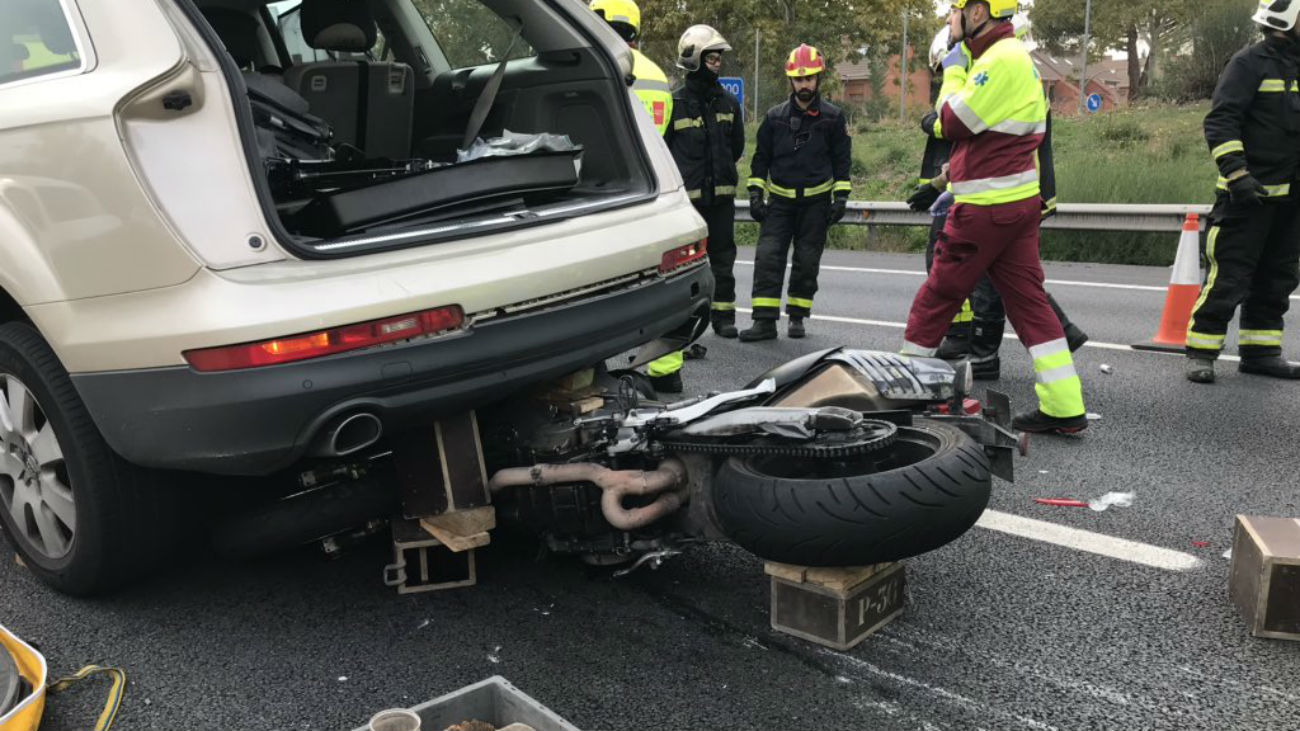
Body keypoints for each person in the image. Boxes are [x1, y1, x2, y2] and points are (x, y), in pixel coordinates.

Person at [903, 0, 1087, 434]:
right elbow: (987, 140)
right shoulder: (1008, 58)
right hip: (1016, 204)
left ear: (979, 12)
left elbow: (951, 121)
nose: (950, 20)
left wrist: (952, 68)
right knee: (1029, 304)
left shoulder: (1000, 61)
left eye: (954, 11)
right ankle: (1064, 408)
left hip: (986, 208)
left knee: (937, 298)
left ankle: (899, 392)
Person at [1186, 0, 1300, 383]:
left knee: (1278, 277)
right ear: (1285, 18)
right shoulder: (1248, 63)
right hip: (1247, 195)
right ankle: (1202, 352)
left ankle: (1261, 352)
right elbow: (1221, 121)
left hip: (1291, 200)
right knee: (1229, 275)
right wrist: (1237, 174)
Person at [590, 0, 685, 392]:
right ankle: (667, 371)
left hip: (600, 193)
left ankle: (590, 368)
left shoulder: (599, 65)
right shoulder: (657, 74)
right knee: (659, 281)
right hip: (649, 192)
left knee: (592, 285)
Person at [739, 44, 853, 341]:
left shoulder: (832, 117)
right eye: (799, 80)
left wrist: (840, 198)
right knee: (768, 259)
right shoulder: (774, 117)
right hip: (779, 204)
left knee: (806, 262)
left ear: (819, 79)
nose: (804, 85)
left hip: (816, 205)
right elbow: (760, 159)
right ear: (790, 81)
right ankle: (764, 322)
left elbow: (842, 161)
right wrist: (754, 194)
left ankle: (798, 317)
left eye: (810, 79)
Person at [666, 25, 746, 339]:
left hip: (721, 199)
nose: (717, 63)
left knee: (724, 259)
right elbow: (665, 149)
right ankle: (686, 324)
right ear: (694, 59)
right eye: (711, 57)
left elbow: (736, 146)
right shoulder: (675, 103)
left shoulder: (728, 103)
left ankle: (723, 318)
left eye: (718, 58)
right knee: (687, 267)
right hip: (688, 204)